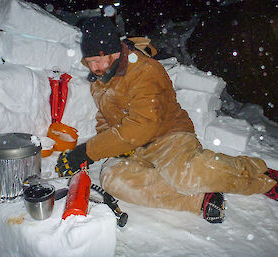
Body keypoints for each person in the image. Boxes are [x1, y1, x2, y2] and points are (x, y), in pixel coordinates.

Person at [56, 16, 278, 223]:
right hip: (134, 148)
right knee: (112, 178)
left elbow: (141, 127)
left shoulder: (145, 71)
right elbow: (105, 117)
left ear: (114, 53)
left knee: (185, 175)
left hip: (169, 136)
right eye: (89, 61)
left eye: (97, 60)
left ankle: (261, 175)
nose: (93, 67)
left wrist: (87, 152)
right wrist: (112, 146)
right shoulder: (101, 79)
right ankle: (200, 199)